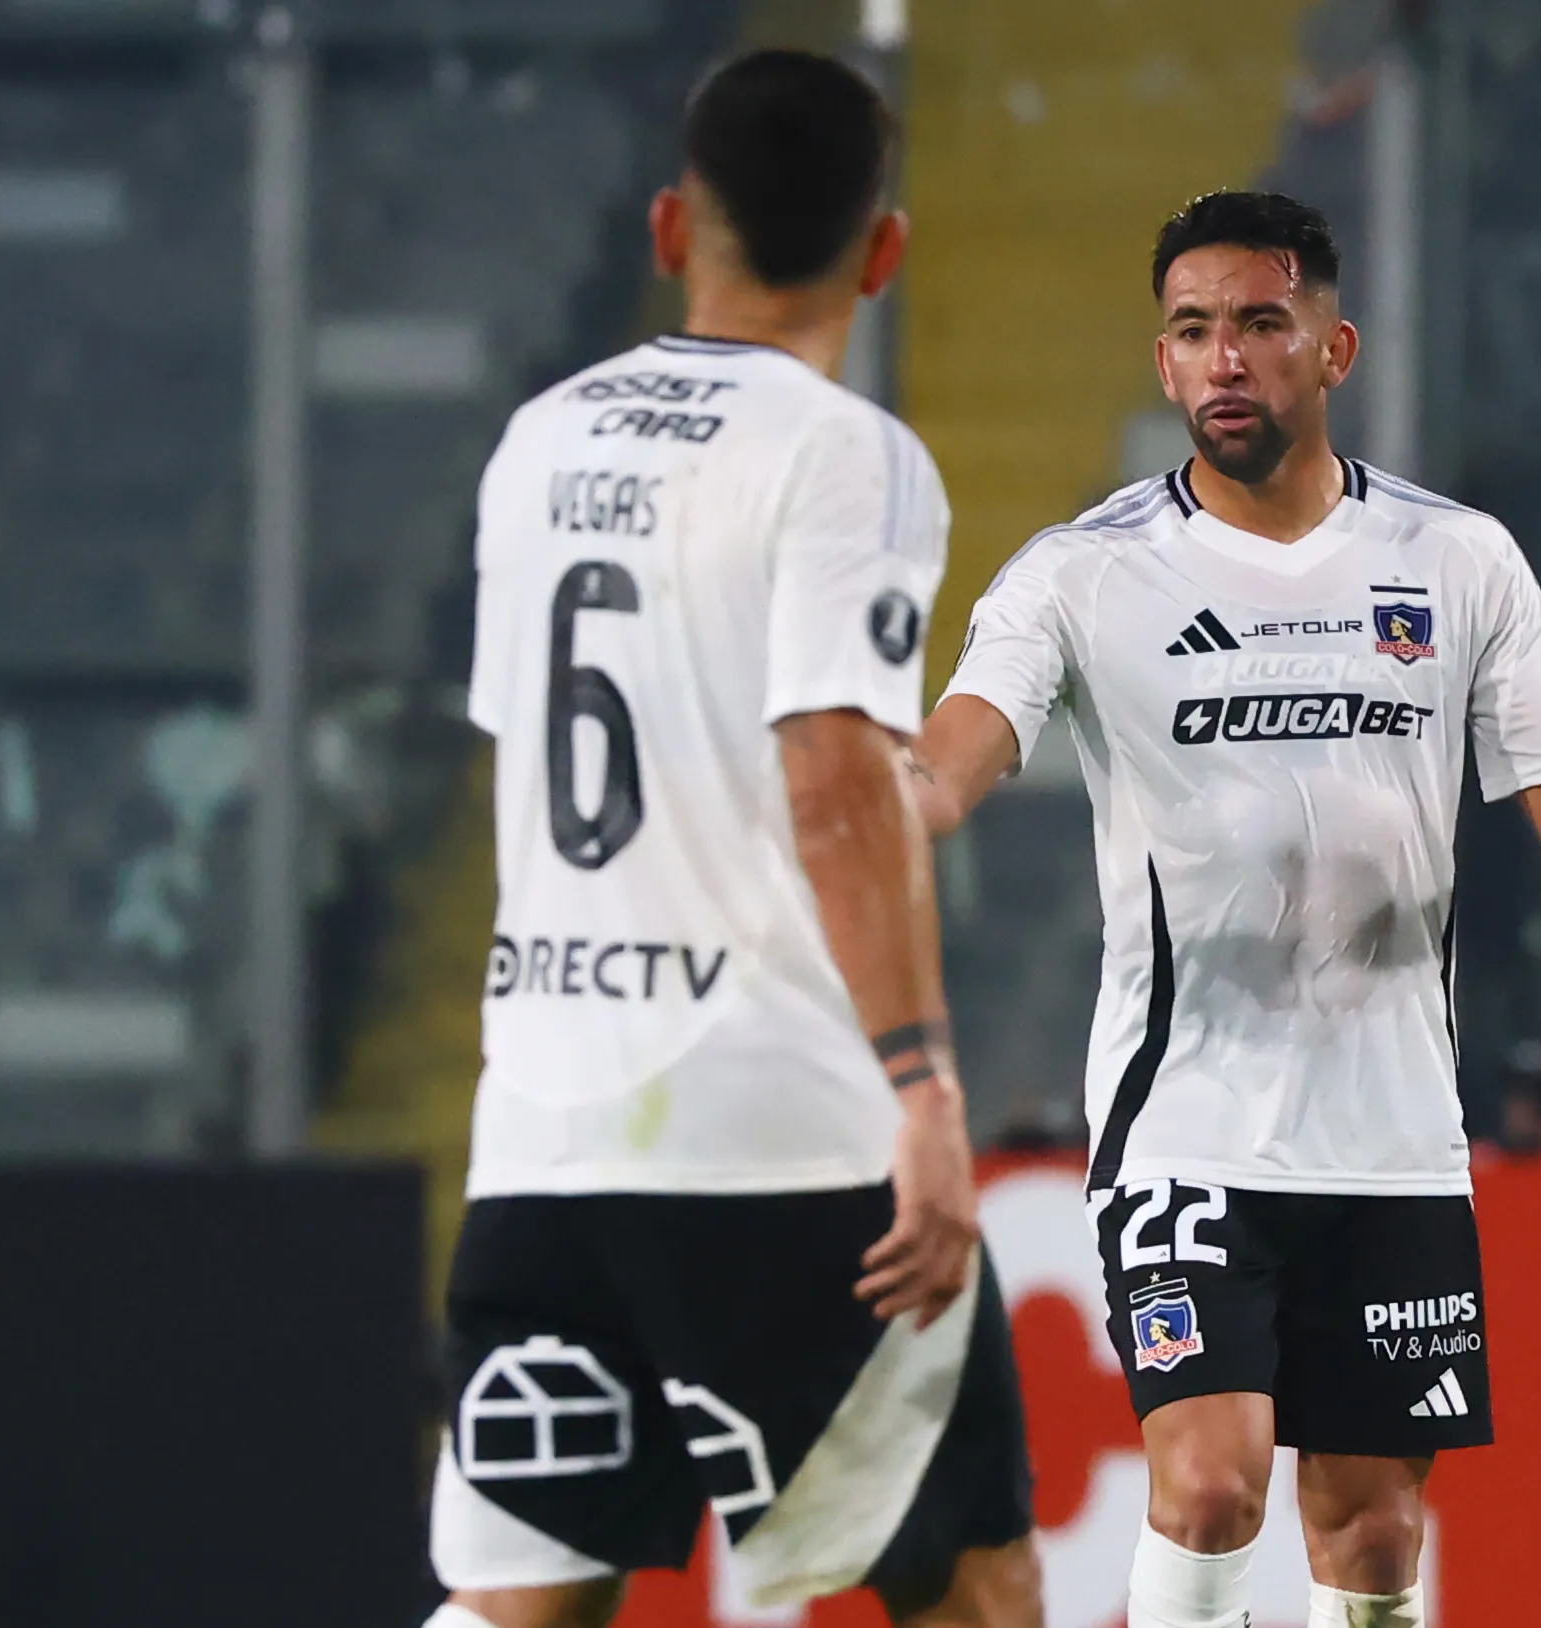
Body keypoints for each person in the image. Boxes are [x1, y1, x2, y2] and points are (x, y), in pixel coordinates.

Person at [906, 191, 1541, 1628]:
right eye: (1193, 331)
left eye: (1259, 322)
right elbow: (945, 770)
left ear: (1333, 346)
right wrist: (854, 793)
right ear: (1163, 361)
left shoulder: (1455, 562)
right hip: (1185, 1120)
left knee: (1371, 1535)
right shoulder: (1080, 576)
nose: (1224, 358)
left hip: (1388, 1134)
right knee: (1205, 1484)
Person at [426, 53, 1040, 1628]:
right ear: (883, 248)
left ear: (663, 226)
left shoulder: (536, 444)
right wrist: (923, 1087)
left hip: (546, 1130)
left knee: (525, 1607)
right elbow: (835, 777)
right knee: (970, 1584)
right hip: (780, 1141)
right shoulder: (843, 455)